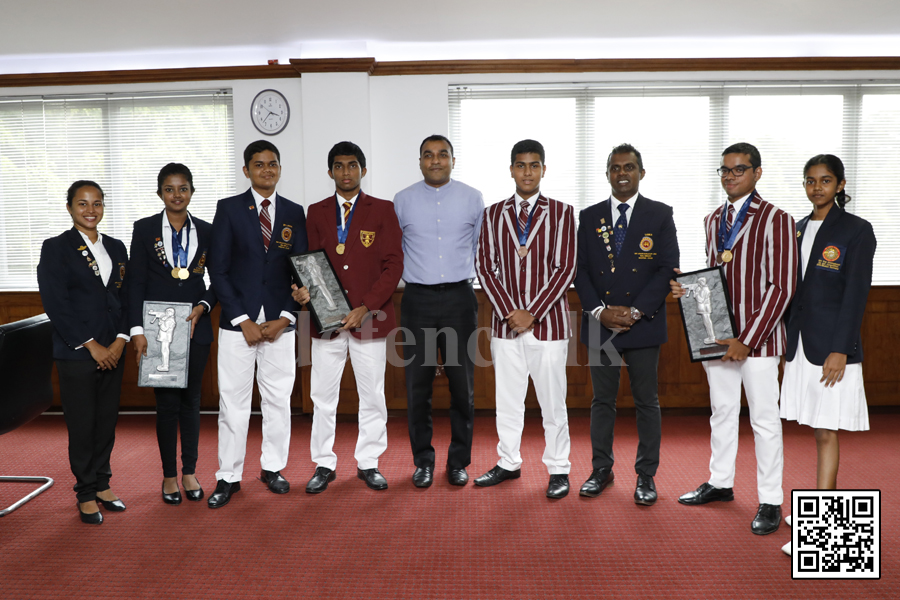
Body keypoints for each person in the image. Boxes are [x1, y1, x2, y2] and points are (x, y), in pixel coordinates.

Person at [672, 142, 797, 535]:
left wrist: (750, 337)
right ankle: (721, 482)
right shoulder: (713, 220)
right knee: (722, 413)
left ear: (757, 173)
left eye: (739, 169)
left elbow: (783, 287)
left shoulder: (776, 218)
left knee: (764, 420)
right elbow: (715, 279)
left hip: (757, 341)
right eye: (724, 170)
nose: (730, 176)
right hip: (718, 339)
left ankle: (771, 499)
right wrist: (686, 291)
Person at [292, 141, 403, 493]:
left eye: (352, 165)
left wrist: (366, 306)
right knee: (323, 397)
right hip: (326, 323)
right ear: (330, 173)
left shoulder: (382, 210)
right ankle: (323, 463)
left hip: (369, 319)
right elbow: (307, 261)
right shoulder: (317, 211)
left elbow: (393, 265)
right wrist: (301, 290)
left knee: (372, 395)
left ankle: (369, 462)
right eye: (339, 166)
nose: (346, 172)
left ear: (363, 170)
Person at [779, 154, 876, 555]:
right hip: (801, 344)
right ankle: (817, 509)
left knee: (826, 431)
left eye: (825, 181)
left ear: (840, 185)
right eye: (810, 181)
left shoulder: (856, 230)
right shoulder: (797, 228)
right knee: (813, 426)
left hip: (832, 348)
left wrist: (841, 349)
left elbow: (856, 296)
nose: (816, 187)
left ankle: (822, 528)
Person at [573, 143, 679, 505]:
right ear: (607, 174)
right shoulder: (588, 217)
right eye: (615, 168)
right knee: (601, 401)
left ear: (641, 173)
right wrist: (600, 311)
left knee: (647, 401)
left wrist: (634, 312)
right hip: (600, 324)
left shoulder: (660, 214)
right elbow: (580, 271)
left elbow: (667, 268)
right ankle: (601, 469)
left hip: (643, 323)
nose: (622, 173)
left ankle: (646, 475)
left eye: (629, 167)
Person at [207, 140, 307, 508]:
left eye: (273, 164)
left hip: (280, 323)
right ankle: (228, 476)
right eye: (259, 164)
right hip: (239, 324)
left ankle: (273, 468)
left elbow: (302, 270)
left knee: (278, 400)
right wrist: (242, 319)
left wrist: (285, 317)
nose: (267, 170)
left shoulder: (295, 212)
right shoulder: (229, 209)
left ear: (280, 169)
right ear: (246, 170)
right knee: (233, 402)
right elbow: (217, 269)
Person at [475, 139, 576, 499]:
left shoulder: (563, 213)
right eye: (521, 165)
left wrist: (532, 314)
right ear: (512, 170)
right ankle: (508, 462)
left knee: (553, 402)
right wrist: (510, 314)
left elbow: (566, 270)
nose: (527, 171)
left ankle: (559, 468)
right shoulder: (493, 213)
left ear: (543, 169)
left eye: (534, 165)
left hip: (548, 326)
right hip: (505, 327)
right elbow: (485, 269)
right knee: (508, 400)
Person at [394, 134, 485, 487]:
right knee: (418, 386)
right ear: (419, 161)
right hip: (416, 300)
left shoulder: (472, 198)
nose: (435, 161)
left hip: (461, 299)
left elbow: (481, 245)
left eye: (442, 155)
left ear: (452, 160)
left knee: (463, 386)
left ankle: (459, 461)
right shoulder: (402, 201)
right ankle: (423, 461)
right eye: (428, 155)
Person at [37, 180, 130, 525]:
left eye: (97, 203)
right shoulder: (56, 248)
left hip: (114, 350)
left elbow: (126, 298)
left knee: (106, 421)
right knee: (82, 424)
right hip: (78, 352)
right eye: (82, 204)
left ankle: (104, 484)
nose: (91, 210)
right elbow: (56, 304)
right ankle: (86, 492)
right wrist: (91, 345)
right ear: (70, 207)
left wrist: (120, 341)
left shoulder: (117, 248)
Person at [128, 163, 216, 505]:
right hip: (156, 328)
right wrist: (137, 330)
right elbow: (135, 282)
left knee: (192, 403)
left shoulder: (208, 231)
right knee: (166, 406)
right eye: (169, 188)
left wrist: (205, 305)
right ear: (159, 192)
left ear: (192, 191)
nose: (176, 194)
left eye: (182, 188)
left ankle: (190, 471)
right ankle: (168, 476)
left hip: (195, 327)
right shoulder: (144, 228)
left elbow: (218, 279)